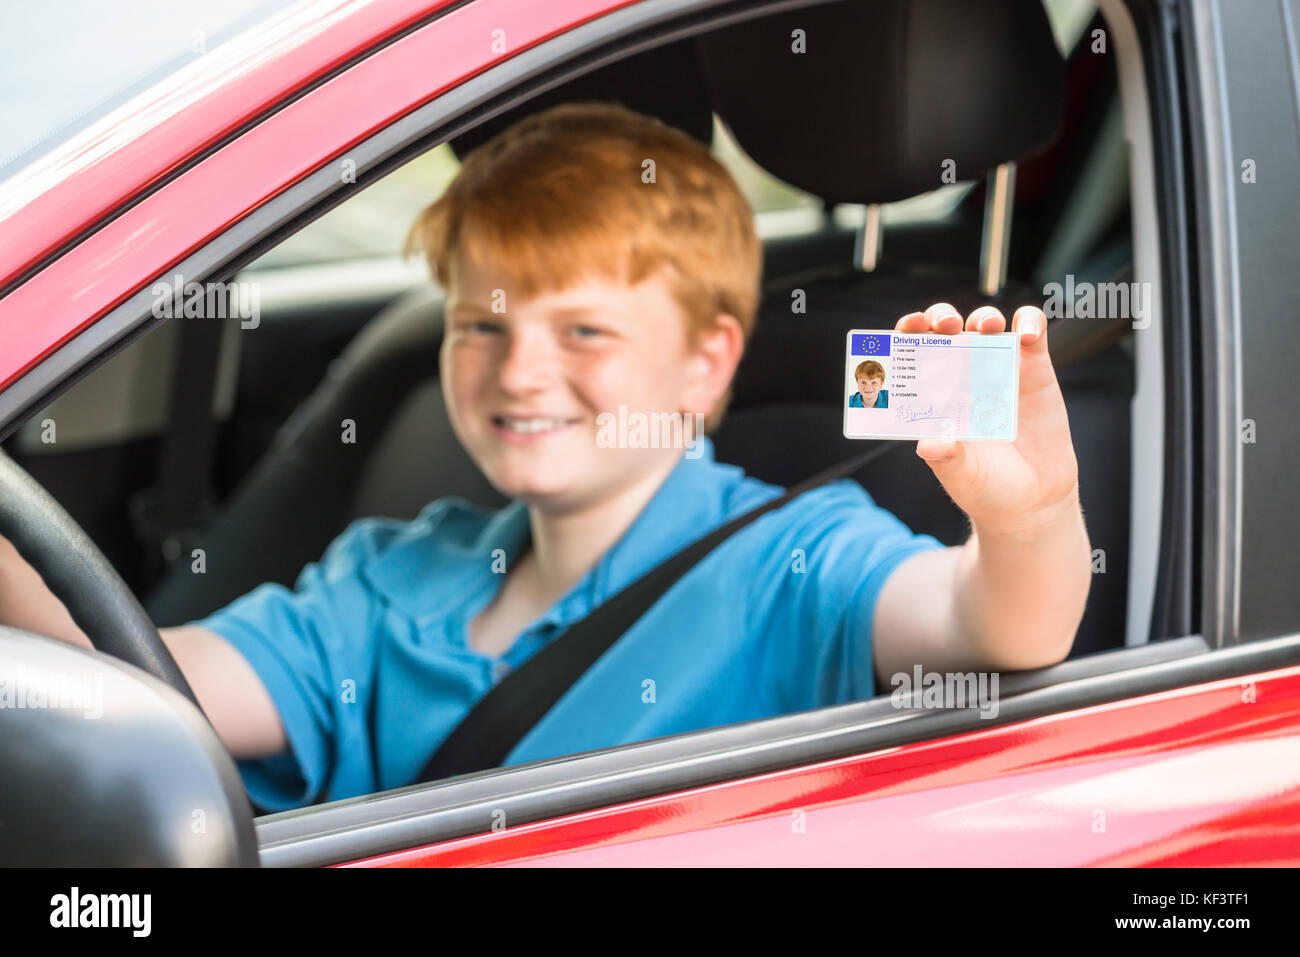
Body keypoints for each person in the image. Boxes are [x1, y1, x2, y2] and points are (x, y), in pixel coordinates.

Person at [0, 103, 1091, 811]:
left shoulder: (790, 562)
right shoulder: (402, 573)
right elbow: (141, 677)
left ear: (706, 363)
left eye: (584, 333)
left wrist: (1027, 519)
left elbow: (993, 625)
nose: (518, 373)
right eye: (480, 325)